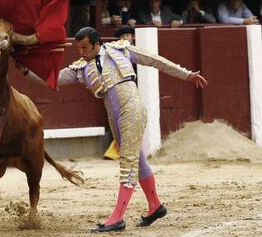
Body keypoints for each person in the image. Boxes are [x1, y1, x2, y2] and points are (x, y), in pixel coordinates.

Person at [21, 26, 208, 232]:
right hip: (114, 115)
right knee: (137, 159)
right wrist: (27, 72)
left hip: (132, 109)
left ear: (96, 44)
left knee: (128, 163)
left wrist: (187, 75)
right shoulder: (81, 68)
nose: (82, 52)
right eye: (79, 48)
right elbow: (54, 80)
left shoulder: (120, 50)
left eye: (85, 47)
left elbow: (155, 60)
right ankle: (155, 206)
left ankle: (117, 217)